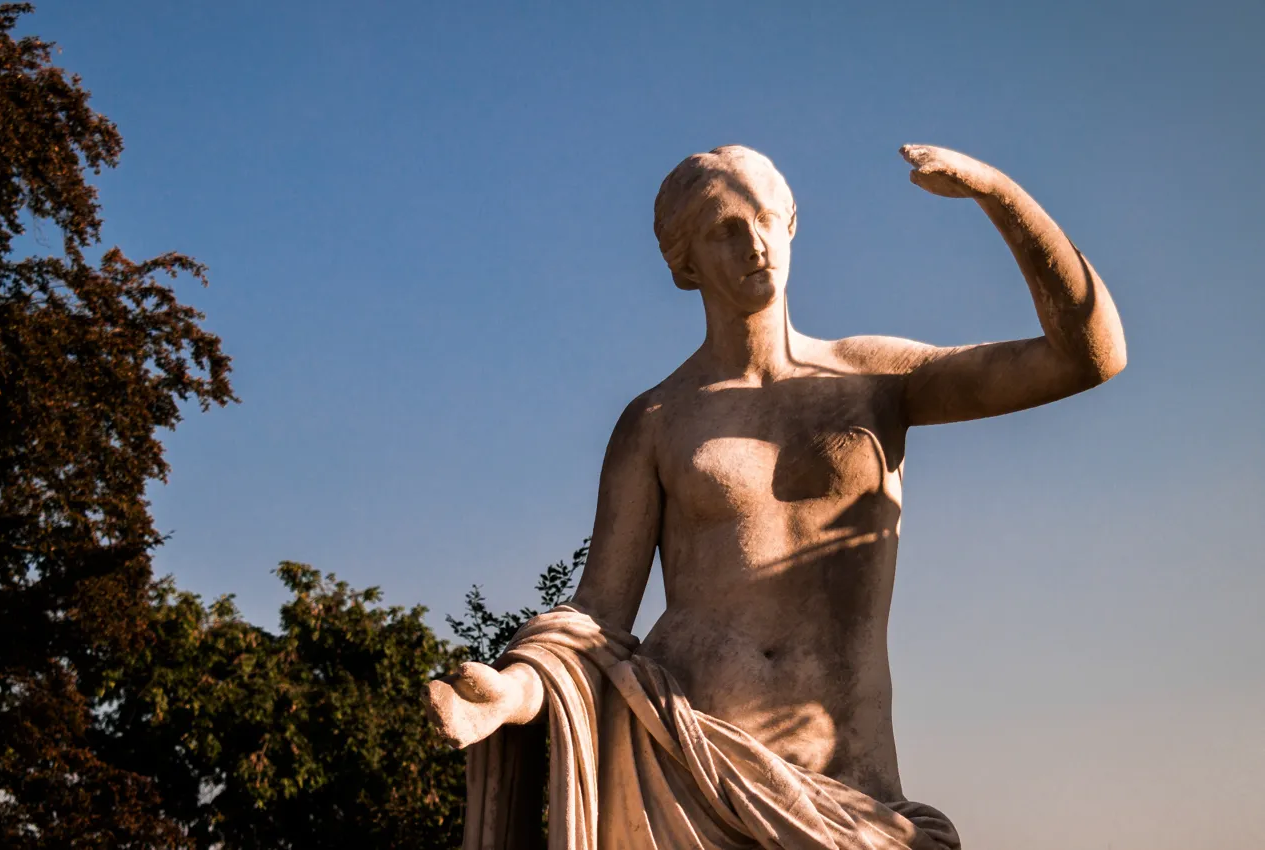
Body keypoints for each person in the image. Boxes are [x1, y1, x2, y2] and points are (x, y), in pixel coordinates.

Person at [424, 144, 1126, 849]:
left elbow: (1088, 356)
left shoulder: (875, 379)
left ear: (791, 224)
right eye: (726, 229)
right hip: (689, 770)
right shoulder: (658, 420)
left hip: (851, 791)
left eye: (765, 218)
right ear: (685, 261)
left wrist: (997, 193)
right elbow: (596, 617)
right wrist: (512, 694)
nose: (753, 244)